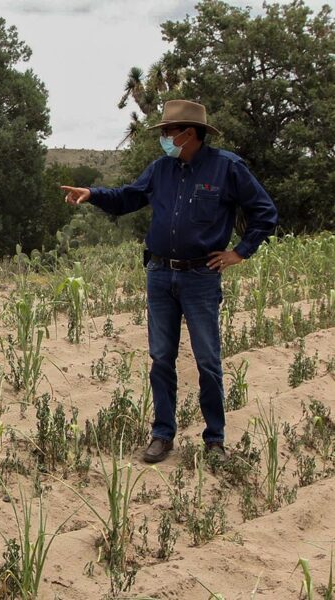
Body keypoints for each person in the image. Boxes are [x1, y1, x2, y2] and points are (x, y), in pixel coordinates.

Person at [61, 100, 277, 463]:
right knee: (161, 358)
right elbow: (128, 197)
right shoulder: (161, 169)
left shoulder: (228, 168)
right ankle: (162, 435)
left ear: (188, 134)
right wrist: (92, 194)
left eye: (166, 132)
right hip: (160, 274)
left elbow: (265, 213)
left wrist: (239, 252)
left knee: (208, 360)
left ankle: (214, 441)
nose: (163, 138)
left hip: (201, 278)